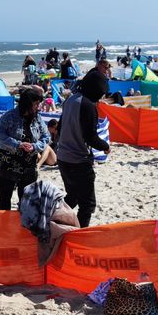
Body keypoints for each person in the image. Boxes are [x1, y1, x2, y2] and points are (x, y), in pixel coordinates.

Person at [56, 71, 110, 227]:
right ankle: (79, 237)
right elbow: (90, 137)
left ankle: (53, 220)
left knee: (72, 197)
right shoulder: (87, 106)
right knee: (87, 205)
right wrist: (105, 146)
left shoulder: (70, 100)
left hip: (63, 158)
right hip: (78, 161)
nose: (100, 97)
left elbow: (59, 129)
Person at [0, 88, 51, 211]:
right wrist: (18, 144)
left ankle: (21, 227)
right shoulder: (9, 117)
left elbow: (46, 137)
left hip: (28, 165)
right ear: (27, 104)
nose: (38, 107)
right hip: (7, 163)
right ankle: (4, 226)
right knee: (5, 199)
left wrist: (34, 146)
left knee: (26, 200)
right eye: (35, 104)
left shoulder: (37, 118)